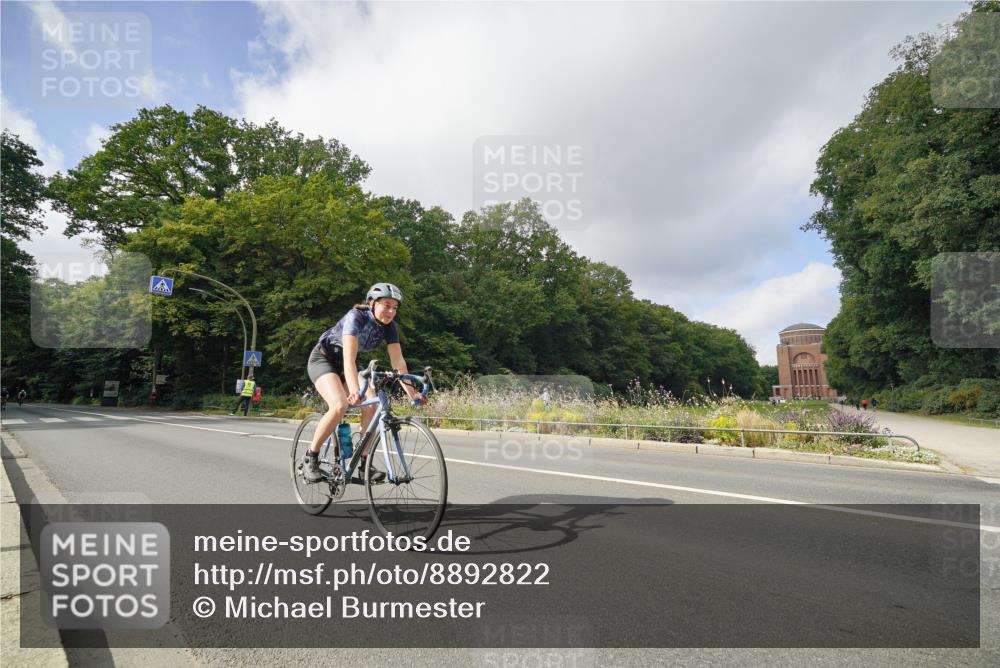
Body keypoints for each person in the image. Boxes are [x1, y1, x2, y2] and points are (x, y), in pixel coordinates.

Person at [303, 282, 426, 483]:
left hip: (351, 364)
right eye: (386, 305)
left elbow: (398, 362)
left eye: (395, 308)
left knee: (373, 403)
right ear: (371, 303)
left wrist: (412, 393)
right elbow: (348, 358)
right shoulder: (356, 317)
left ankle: (364, 463)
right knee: (340, 405)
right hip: (324, 360)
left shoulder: (390, 327)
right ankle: (311, 456)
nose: (391, 312)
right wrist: (354, 391)